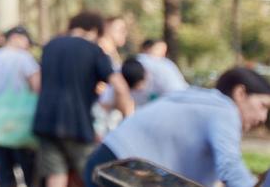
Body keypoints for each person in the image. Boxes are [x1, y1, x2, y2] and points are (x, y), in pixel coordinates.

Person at [84, 67, 270, 187]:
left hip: (113, 162)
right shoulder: (224, 110)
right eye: (263, 106)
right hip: (119, 168)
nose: (263, 117)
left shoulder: (204, 103)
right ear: (241, 93)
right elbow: (230, 166)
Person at [33, 11, 133, 187]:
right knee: (92, 176)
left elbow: (39, 84)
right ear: (94, 30)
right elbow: (119, 86)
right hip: (77, 124)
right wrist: (128, 117)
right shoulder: (94, 50)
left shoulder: (50, 46)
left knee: (55, 175)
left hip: (45, 122)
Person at [0, 26, 40, 187]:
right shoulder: (24, 58)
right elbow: (37, 87)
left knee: (5, 177)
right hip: (22, 127)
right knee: (30, 177)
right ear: (16, 38)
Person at [136, 38, 188, 103]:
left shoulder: (163, 63)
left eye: (164, 51)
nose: (162, 53)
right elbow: (179, 89)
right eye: (158, 49)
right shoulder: (161, 64)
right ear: (147, 48)